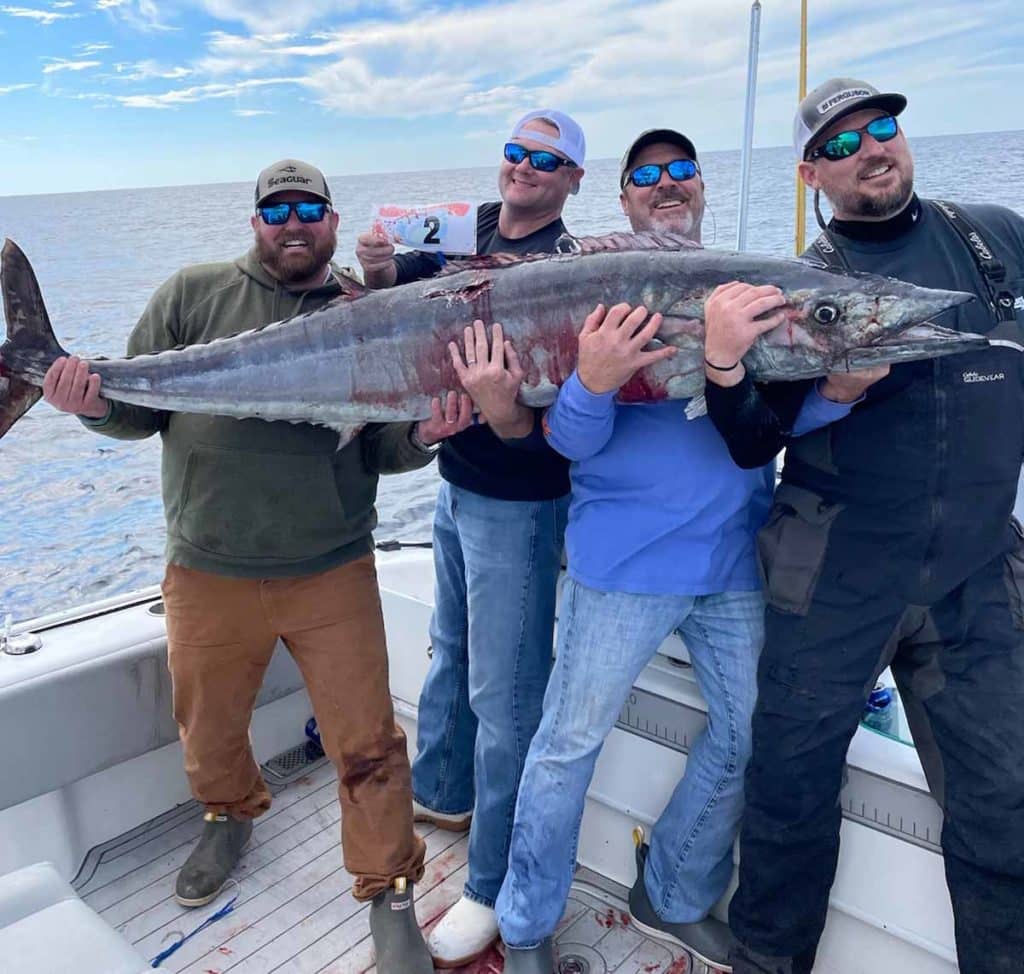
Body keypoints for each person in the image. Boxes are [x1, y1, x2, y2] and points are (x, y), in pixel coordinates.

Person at [40, 158, 474, 974]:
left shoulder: (372, 308)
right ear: (254, 224)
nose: (294, 222)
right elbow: (137, 409)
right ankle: (227, 815)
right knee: (207, 727)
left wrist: (426, 434)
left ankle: (388, 888)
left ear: (335, 223)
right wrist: (88, 400)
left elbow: (381, 440)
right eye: (277, 210)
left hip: (331, 567)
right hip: (208, 564)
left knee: (370, 743)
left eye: (310, 207)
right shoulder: (191, 294)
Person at [489, 130, 861, 974]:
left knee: (748, 732)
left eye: (682, 171)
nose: (667, 184)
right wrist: (592, 376)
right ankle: (524, 925)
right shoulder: (603, 293)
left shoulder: (746, 293)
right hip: (619, 570)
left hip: (734, 560)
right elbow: (571, 446)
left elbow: (771, 427)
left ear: (701, 190)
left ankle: (674, 889)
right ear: (621, 200)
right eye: (647, 175)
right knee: (564, 750)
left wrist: (835, 394)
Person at [702, 78, 1024, 974]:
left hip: (977, 571)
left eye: (881, 128)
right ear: (812, 174)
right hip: (832, 572)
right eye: (840, 145)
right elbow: (747, 441)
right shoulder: (798, 288)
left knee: (1007, 803)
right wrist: (729, 365)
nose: (870, 149)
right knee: (790, 790)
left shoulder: (995, 237)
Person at [354, 110, 583, 966]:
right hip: (454, 486)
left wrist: (505, 408)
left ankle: (490, 882)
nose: (525, 167)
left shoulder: (567, 268)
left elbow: (567, 410)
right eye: (518, 152)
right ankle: (444, 797)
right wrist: (377, 268)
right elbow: (396, 296)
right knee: (448, 654)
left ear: (571, 181)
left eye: (547, 160)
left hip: (520, 505)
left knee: (507, 700)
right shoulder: (467, 230)